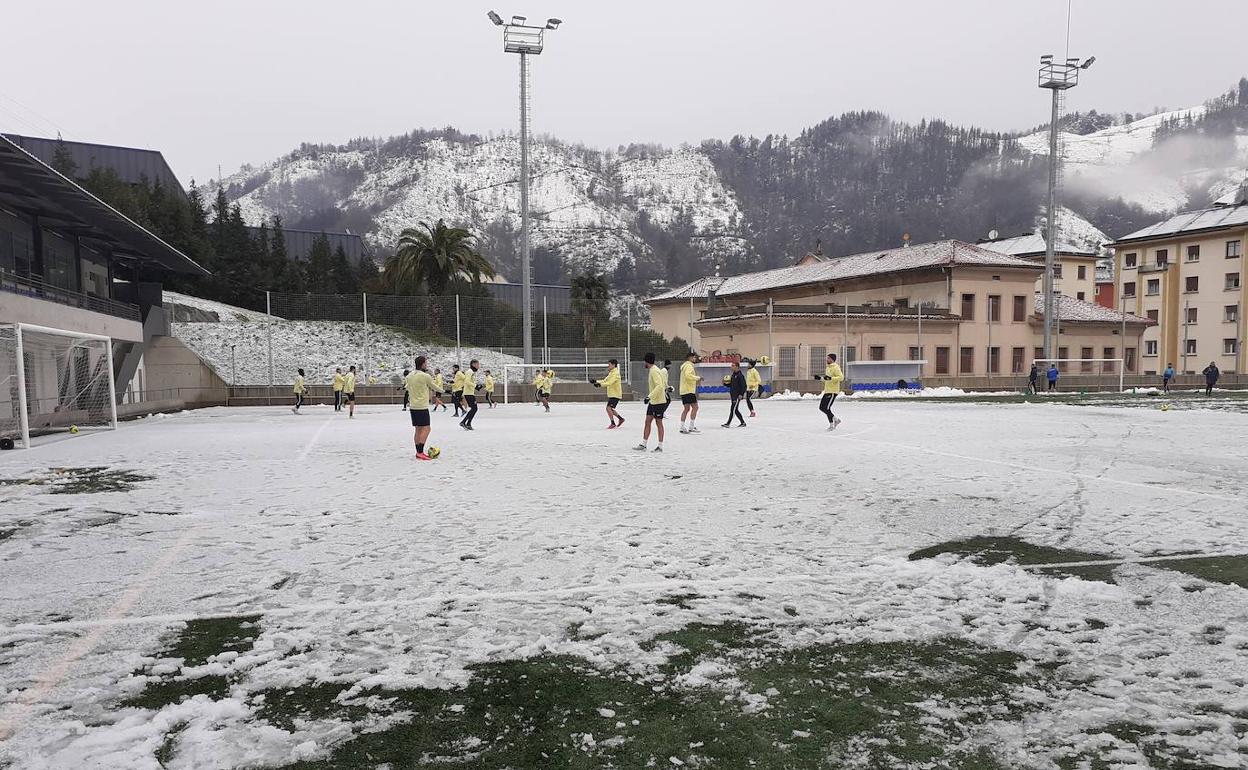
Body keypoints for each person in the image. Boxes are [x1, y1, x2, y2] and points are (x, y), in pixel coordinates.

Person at [635, 352, 669, 452]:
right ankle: (643, 444)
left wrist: (649, 397)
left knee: (659, 423)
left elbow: (659, 386)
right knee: (647, 421)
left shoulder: (654, 371)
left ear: (646, 361)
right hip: (653, 401)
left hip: (659, 402)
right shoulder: (653, 370)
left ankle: (660, 446)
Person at [405, 355, 436, 461]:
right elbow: (434, 386)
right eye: (426, 363)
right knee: (427, 428)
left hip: (413, 406)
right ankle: (420, 452)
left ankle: (418, 452)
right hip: (422, 406)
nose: (427, 365)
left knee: (418, 429)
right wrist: (445, 391)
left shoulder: (409, 375)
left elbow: (407, 387)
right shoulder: (425, 376)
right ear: (423, 364)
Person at [592, 359, 625, 429]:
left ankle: (613, 423)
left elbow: (609, 383)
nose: (608, 366)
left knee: (608, 408)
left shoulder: (615, 373)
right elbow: (605, 381)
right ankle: (621, 419)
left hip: (615, 394)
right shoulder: (611, 373)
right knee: (610, 409)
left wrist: (599, 385)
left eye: (609, 365)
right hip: (612, 394)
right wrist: (596, 381)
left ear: (613, 365)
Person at [816, 353, 844, 430]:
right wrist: (820, 378)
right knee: (822, 407)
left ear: (832, 359)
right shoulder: (828, 368)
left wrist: (831, 378)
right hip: (827, 390)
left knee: (827, 408)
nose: (827, 359)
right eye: (827, 358)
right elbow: (827, 379)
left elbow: (841, 378)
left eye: (828, 358)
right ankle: (836, 420)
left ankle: (832, 424)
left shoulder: (836, 367)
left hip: (833, 391)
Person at [678, 351, 703, 434]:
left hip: (684, 390)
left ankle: (682, 426)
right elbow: (688, 376)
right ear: (690, 358)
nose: (695, 358)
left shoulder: (685, 366)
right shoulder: (689, 366)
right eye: (694, 357)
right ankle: (691, 426)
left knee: (686, 409)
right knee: (695, 407)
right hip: (688, 391)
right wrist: (698, 378)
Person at [723, 361, 747, 428]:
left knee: (732, 409)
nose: (731, 367)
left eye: (733, 365)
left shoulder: (740, 375)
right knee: (735, 410)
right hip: (733, 395)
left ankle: (728, 423)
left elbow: (744, 386)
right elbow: (732, 385)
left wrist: (741, 394)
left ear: (737, 366)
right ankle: (743, 422)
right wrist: (725, 384)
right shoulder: (733, 375)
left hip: (737, 396)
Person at [460, 359, 482, 430]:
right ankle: (464, 422)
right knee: (474, 408)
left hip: (470, 392)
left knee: (474, 408)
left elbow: (470, 382)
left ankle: (468, 423)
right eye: (478, 364)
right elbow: (467, 382)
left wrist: (476, 387)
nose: (479, 366)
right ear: (473, 364)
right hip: (468, 393)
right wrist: (475, 386)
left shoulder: (472, 372)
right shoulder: (470, 372)